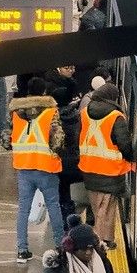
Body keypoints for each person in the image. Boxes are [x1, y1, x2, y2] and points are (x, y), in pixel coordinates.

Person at [9, 76, 65, 262]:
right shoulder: (50, 112)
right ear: (43, 92)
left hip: (24, 168)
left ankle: (22, 250)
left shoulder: (16, 112)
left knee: (23, 209)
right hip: (46, 167)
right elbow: (58, 139)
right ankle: (60, 246)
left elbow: (7, 139)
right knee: (53, 206)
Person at [79, 83, 132, 249]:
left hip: (88, 167)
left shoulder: (85, 113)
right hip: (109, 170)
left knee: (97, 208)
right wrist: (130, 157)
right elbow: (124, 143)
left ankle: (104, 239)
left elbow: (78, 136)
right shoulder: (116, 116)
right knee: (106, 208)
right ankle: (101, 241)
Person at [51, 85, 82, 229]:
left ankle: (66, 221)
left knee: (62, 192)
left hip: (60, 165)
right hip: (78, 164)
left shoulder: (53, 120)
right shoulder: (78, 117)